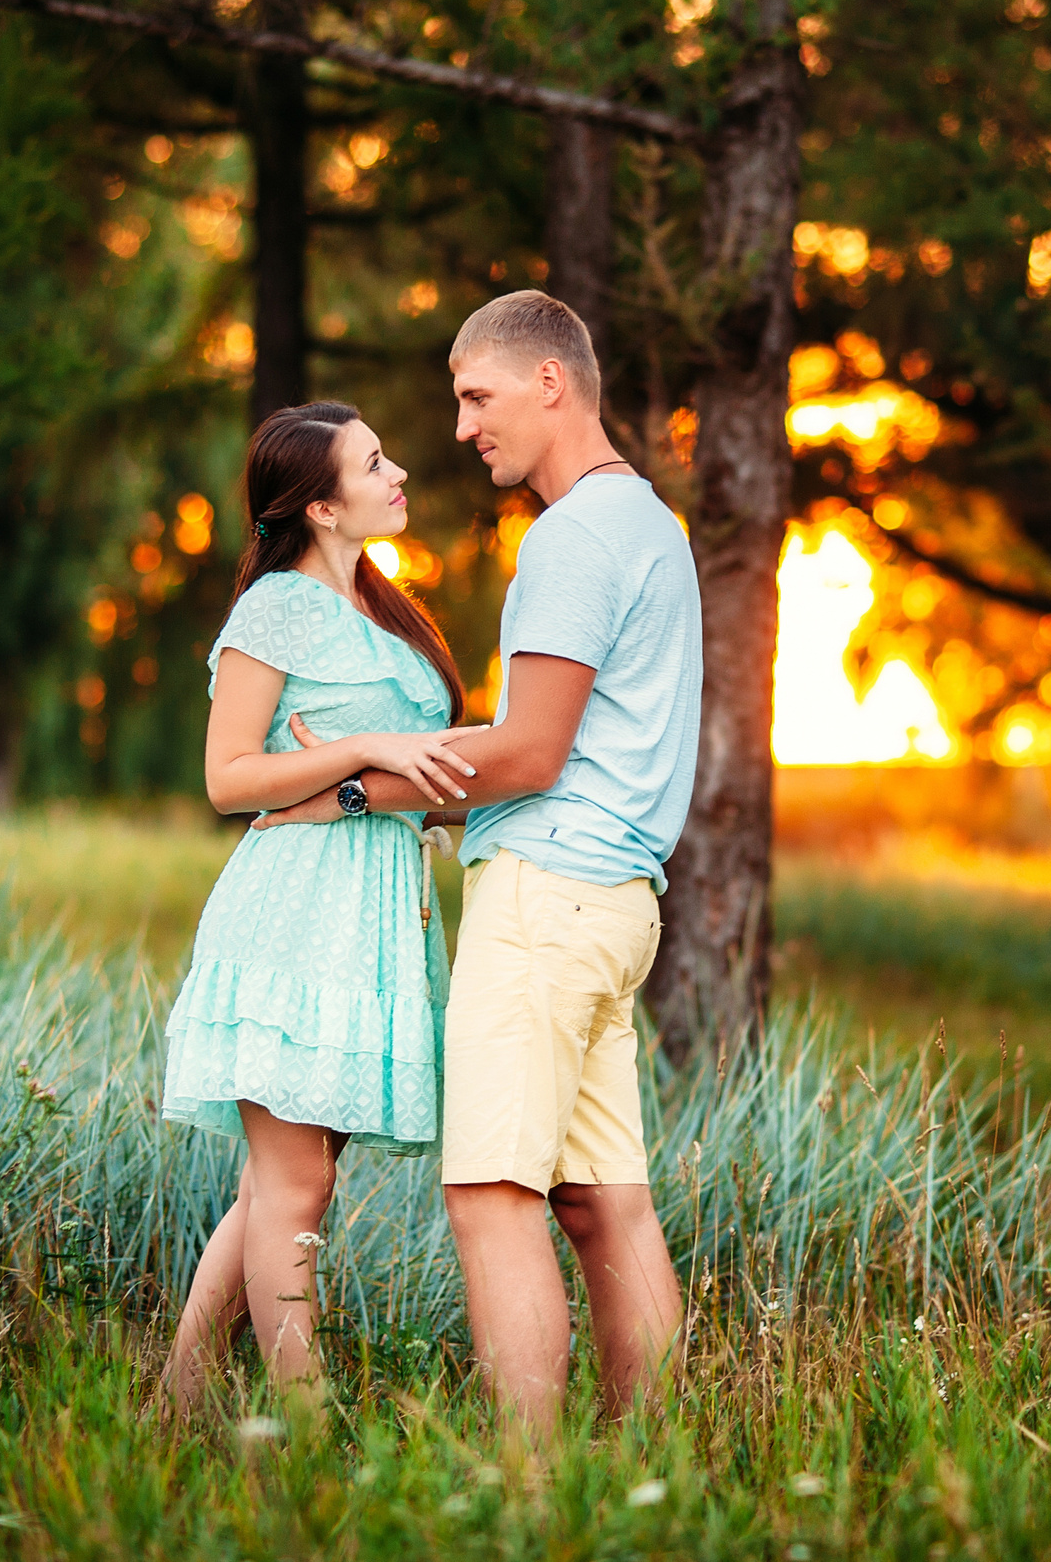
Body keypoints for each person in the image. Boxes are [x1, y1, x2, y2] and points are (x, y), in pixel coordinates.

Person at [254, 291, 700, 1440]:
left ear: (549, 380)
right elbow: (555, 742)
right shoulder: (648, 522)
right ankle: (643, 1472)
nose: (460, 427)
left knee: (491, 1197)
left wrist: (347, 787)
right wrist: (396, 762)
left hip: (547, 901)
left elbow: (531, 751)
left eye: (475, 395)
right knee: (605, 1205)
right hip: (617, 902)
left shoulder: (572, 537)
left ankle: (529, 1491)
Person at [158, 400, 481, 1412]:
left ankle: (174, 1403)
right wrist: (363, 748)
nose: (398, 474)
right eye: (372, 463)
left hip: (376, 915)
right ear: (321, 506)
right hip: (297, 910)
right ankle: (303, 1429)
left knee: (281, 1183)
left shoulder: (385, 608)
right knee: (296, 1186)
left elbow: (425, 770)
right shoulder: (276, 609)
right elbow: (227, 776)